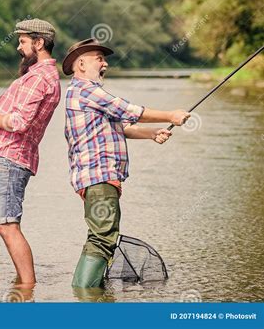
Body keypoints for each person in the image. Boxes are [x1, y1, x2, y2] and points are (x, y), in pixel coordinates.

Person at [62, 38, 190, 288]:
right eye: (99, 58)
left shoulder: (83, 93)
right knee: (103, 237)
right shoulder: (86, 90)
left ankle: (88, 292)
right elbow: (128, 109)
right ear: (81, 63)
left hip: (99, 179)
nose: (105, 63)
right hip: (99, 178)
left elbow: (121, 126)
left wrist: (152, 133)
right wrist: (170, 115)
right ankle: (83, 293)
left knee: (101, 235)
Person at [0, 19, 61, 286]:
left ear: (39, 43)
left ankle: (27, 288)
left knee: (8, 225)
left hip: (10, 157)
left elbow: (18, 122)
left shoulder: (39, 77)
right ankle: (24, 287)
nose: (19, 47)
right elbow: (14, 118)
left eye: (22, 41)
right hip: (9, 156)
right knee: (7, 224)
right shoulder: (40, 76)